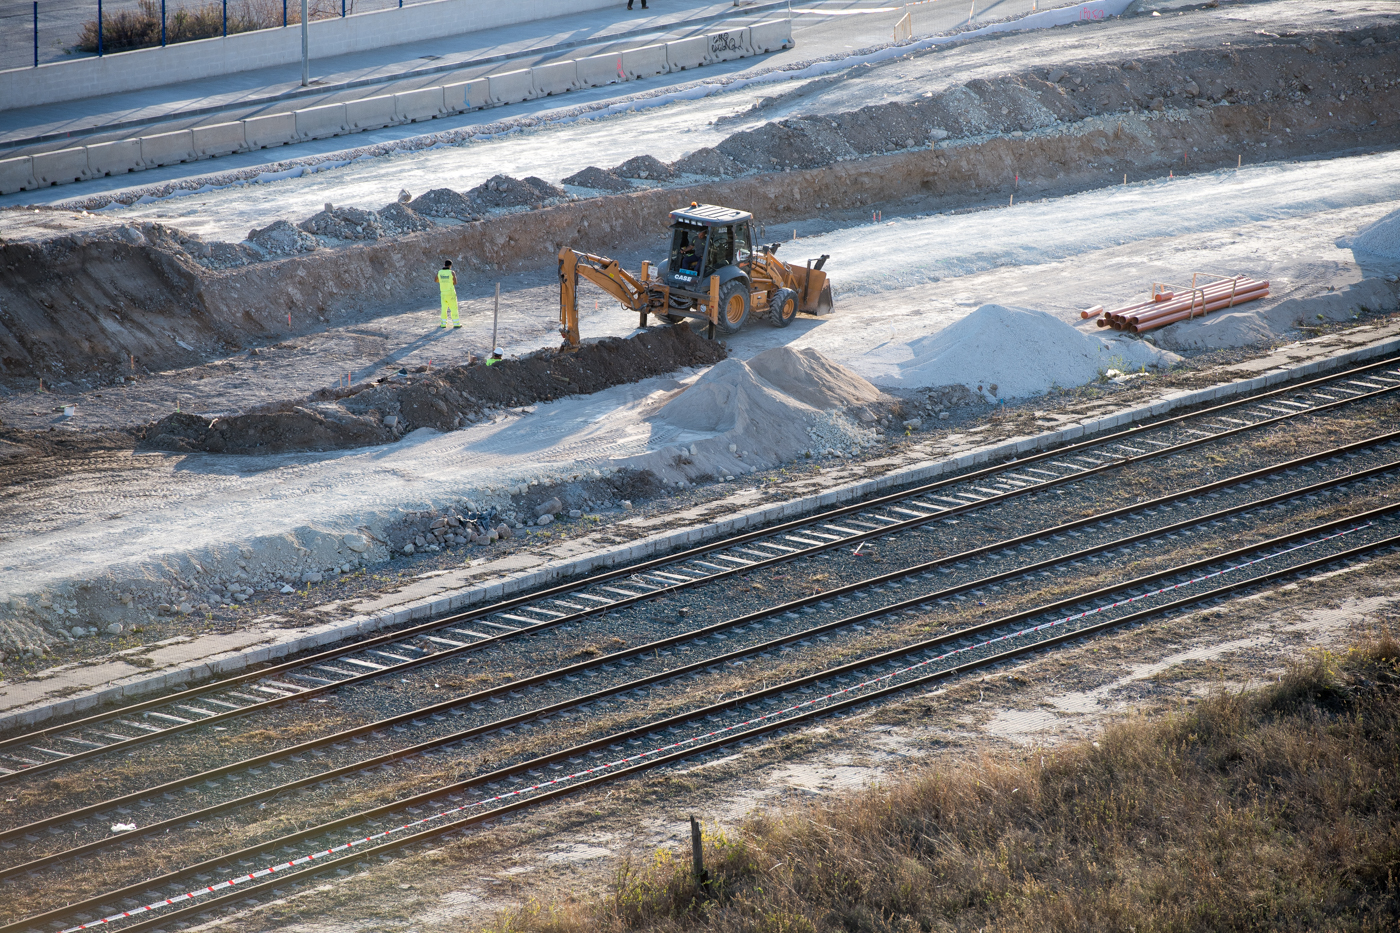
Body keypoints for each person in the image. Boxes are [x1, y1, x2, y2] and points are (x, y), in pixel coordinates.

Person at [436, 260, 461, 329]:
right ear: (450, 266)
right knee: (453, 308)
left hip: (443, 293)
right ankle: (456, 324)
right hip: (450, 293)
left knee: (444, 309)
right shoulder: (452, 272)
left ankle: (443, 324)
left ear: (444, 264)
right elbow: (455, 282)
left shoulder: (439, 272)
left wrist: (443, 281)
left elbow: (436, 280)